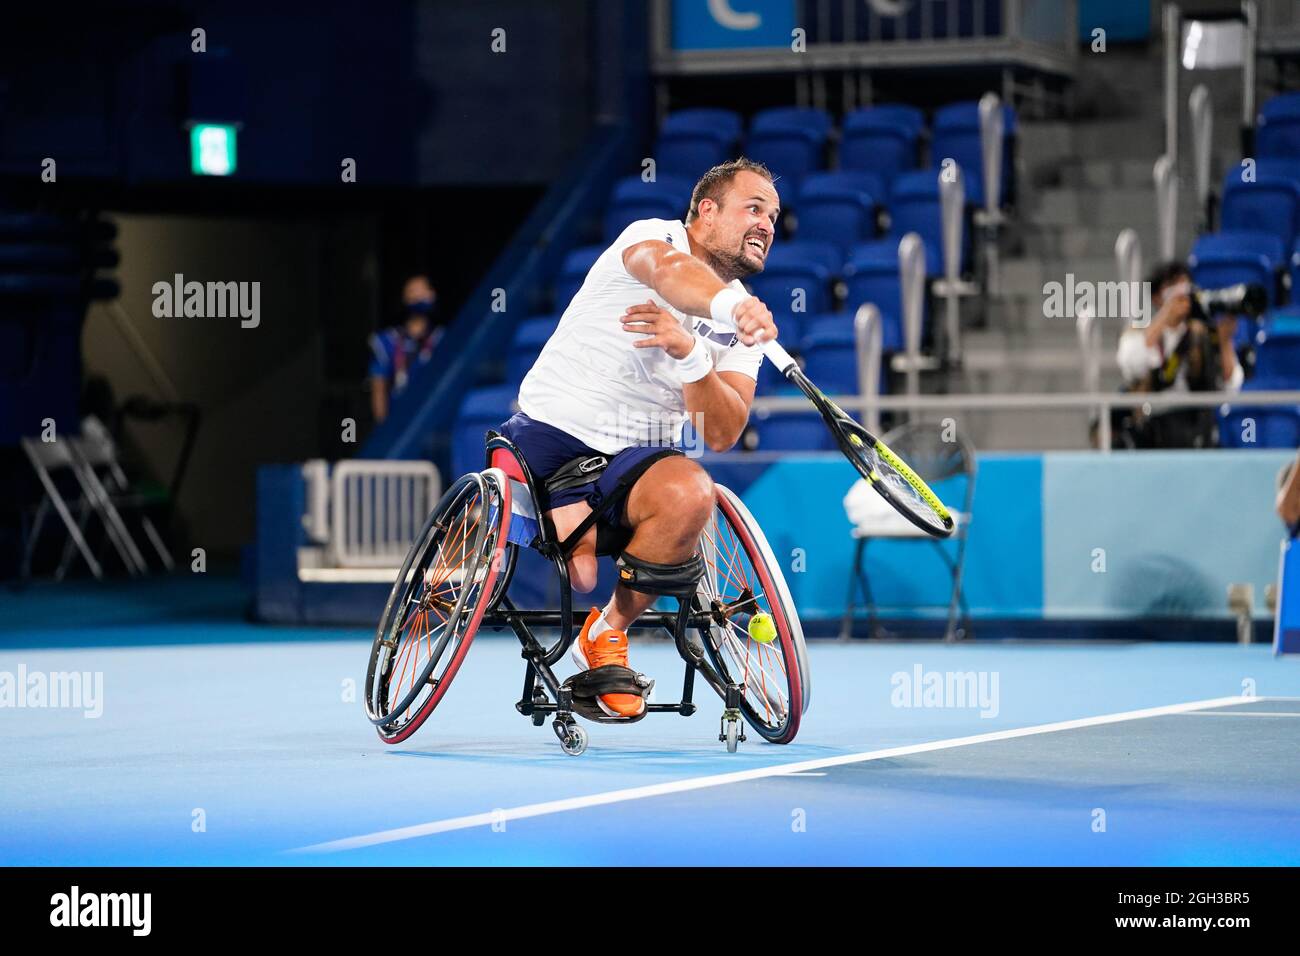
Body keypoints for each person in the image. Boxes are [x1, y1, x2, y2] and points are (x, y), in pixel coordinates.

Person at [498, 158, 780, 717]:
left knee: (693, 493)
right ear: (706, 211)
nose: (767, 224)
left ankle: (606, 631)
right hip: (551, 435)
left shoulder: (746, 330)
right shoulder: (653, 238)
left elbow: (721, 431)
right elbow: (670, 272)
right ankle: (555, 521)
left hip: (634, 462)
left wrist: (693, 354)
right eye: (754, 208)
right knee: (575, 571)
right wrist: (729, 304)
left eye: (773, 216)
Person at [1112, 262, 1244, 448]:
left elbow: (1231, 385)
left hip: (1198, 427)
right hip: (1154, 427)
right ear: (1157, 297)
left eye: (1185, 285)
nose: (1181, 293)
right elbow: (1131, 364)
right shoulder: (1139, 332)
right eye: (1173, 285)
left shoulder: (1202, 333)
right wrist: (1166, 315)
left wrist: (1225, 341)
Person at [369, 275, 441, 424]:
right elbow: (378, 388)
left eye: (424, 291)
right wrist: (383, 429)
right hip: (399, 422)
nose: (420, 296)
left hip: (432, 420)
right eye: (414, 292)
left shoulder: (442, 339)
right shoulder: (387, 341)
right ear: (404, 298)